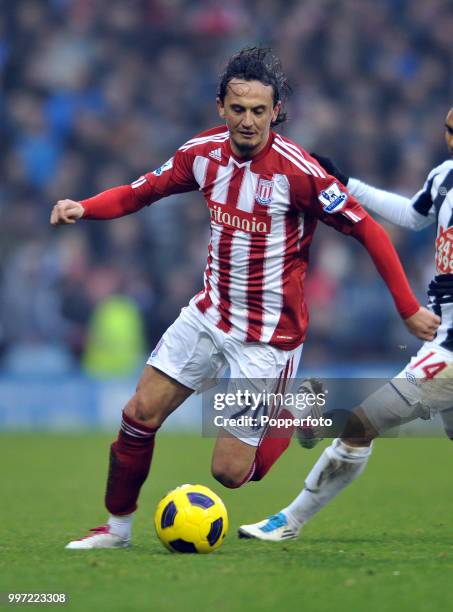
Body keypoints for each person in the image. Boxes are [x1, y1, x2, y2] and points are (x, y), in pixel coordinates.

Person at [50, 47, 438, 549]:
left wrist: (407, 307)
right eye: (239, 109)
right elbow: (137, 192)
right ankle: (117, 530)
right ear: (221, 107)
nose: (249, 121)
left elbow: (371, 234)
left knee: (231, 473)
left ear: (275, 111)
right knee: (138, 414)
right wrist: (85, 206)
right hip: (209, 314)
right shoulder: (202, 154)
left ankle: (297, 405)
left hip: (268, 339)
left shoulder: (301, 174)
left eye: (259, 110)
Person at [238, 106, 453, 542]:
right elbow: (414, 214)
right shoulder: (445, 176)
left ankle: (289, 520)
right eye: (450, 130)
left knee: (361, 425)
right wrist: (347, 184)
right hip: (443, 335)